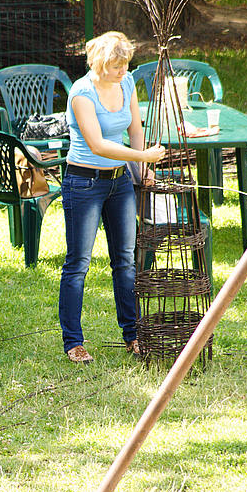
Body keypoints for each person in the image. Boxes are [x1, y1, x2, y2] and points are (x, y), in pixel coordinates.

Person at [59, 31, 166, 364]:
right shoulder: (82, 93)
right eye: (116, 66)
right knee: (78, 264)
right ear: (99, 62)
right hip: (83, 184)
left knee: (125, 260)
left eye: (125, 65)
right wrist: (144, 158)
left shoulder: (128, 83)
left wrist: (140, 172)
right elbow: (98, 145)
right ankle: (73, 343)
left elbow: (134, 130)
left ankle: (132, 336)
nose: (123, 71)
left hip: (119, 182)